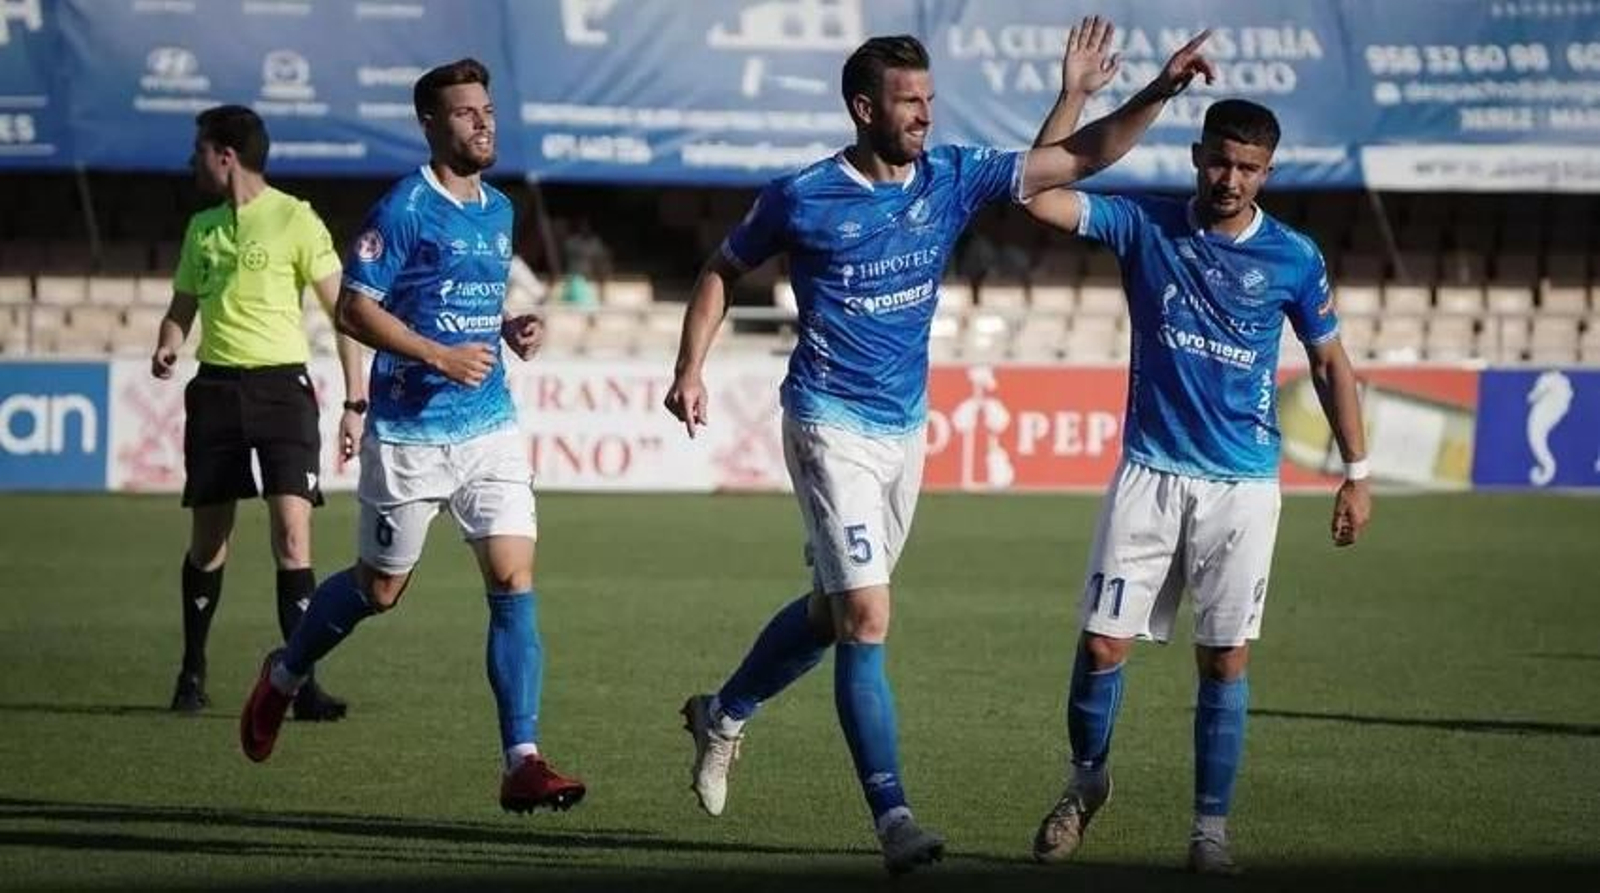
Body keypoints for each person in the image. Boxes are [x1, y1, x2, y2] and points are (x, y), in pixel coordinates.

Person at [663, 19, 1214, 874]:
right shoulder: (802, 195)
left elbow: (1078, 160)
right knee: (868, 615)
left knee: (832, 614)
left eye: (928, 98)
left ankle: (723, 713)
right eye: (908, 101)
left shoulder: (952, 176)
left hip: (903, 429)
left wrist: (1154, 90)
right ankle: (894, 820)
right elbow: (721, 269)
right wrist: (690, 366)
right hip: (827, 421)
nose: (925, 113)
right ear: (863, 109)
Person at [1022, 96, 1373, 874]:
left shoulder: (1293, 257)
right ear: (1195, 155)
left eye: (1248, 167)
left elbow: (1328, 362)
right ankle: (1086, 780)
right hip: (1150, 470)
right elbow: (1037, 194)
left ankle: (1209, 829)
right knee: (1102, 643)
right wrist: (1077, 95)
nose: (1230, 179)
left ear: (1267, 172)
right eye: (1219, 160)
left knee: (1224, 659)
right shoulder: (1143, 224)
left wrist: (1356, 471)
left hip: (1241, 486)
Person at [238, 58, 584, 814]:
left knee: (513, 580)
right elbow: (354, 309)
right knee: (380, 589)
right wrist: (436, 355)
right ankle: (284, 674)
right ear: (430, 125)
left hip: (488, 425)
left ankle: (522, 761)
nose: (483, 123)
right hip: (409, 432)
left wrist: (506, 328)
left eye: (487, 110)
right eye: (465, 113)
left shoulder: (499, 209)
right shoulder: (403, 207)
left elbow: (453, 303)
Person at [152, 104, 366, 721]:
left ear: (226, 156)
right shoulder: (202, 228)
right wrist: (168, 342)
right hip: (216, 391)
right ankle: (192, 672)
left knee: (293, 536)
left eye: (199, 150)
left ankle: (301, 685)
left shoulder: (296, 218)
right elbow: (181, 308)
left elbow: (345, 314)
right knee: (209, 540)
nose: (192, 161)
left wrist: (355, 402)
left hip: (282, 392)